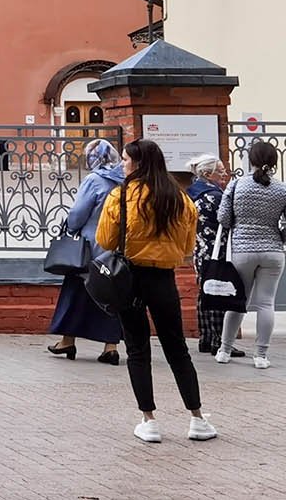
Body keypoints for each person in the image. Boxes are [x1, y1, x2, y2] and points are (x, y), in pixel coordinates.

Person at [96, 139, 216, 443]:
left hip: (129, 278)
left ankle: (148, 420)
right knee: (177, 348)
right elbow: (188, 247)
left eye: (125, 159)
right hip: (163, 278)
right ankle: (197, 418)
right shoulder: (180, 198)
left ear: (137, 163)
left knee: (137, 348)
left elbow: (106, 240)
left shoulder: (121, 195)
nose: (122, 164)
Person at [46, 138, 124, 365]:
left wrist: (70, 228)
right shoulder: (125, 180)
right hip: (115, 251)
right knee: (111, 297)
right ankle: (111, 347)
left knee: (76, 294)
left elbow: (78, 213)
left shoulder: (94, 180)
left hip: (89, 250)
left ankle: (67, 341)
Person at [215, 141, 286, 369]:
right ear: (273, 162)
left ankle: (225, 350)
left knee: (238, 301)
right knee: (266, 303)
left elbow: (223, 219)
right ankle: (261, 356)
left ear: (251, 160)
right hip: (273, 251)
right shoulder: (282, 189)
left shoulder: (237, 185)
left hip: (242, 251)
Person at [187, 154, 232, 355]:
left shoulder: (193, 193)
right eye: (219, 170)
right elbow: (228, 221)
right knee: (218, 293)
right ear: (207, 173)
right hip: (216, 250)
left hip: (200, 250)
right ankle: (218, 340)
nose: (224, 173)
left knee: (205, 292)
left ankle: (205, 338)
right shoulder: (215, 196)